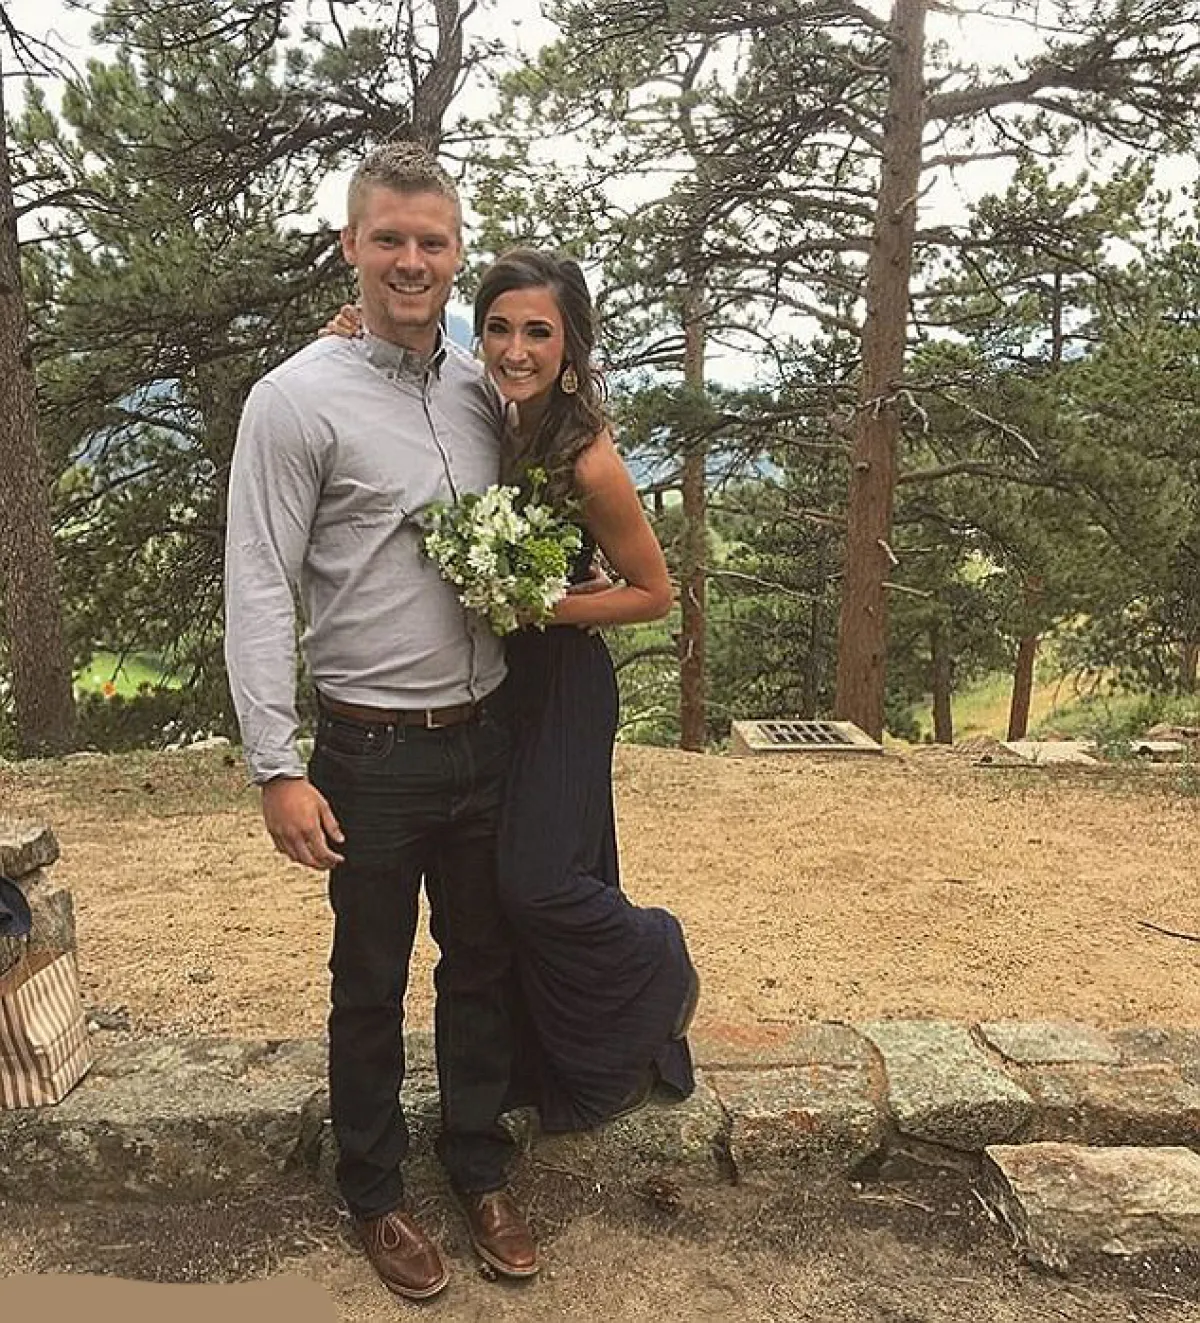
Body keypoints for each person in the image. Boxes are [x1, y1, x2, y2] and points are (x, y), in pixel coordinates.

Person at [223, 143, 537, 1302]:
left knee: (482, 966)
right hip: (369, 751)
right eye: (390, 239)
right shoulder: (293, 400)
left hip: (487, 735)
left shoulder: (480, 388)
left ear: (456, 254)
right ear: (351, 245)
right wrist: (276, 764)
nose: (412, 260)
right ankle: (374, 1191)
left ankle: (478, 1166)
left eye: (432, 242)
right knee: (369, 982)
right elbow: (260, 581)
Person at [325, 247, 699, 1132]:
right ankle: (551, 1060)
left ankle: (660, 956)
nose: (515, 349)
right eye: (498, 328)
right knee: (497, 891)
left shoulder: (588, 456)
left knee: (537, 882)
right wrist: (352, 333)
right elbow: (418, 369)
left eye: (538, 332)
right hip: (498, 682)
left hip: (564, 683)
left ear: (571, 348)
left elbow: (654, 592)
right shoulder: (493, 409)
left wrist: (544, 603)